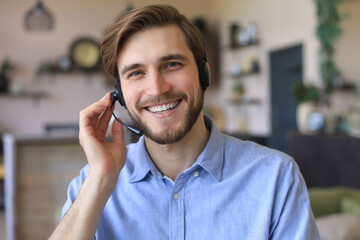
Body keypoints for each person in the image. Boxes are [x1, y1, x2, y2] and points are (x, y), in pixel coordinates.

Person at [50, 4, 319, 240]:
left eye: (171, 65)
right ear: (118, 94)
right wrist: (101, 180)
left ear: (204, 73)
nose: (156, 89)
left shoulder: (276, 177)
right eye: (136, 73)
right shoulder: (92, 181)